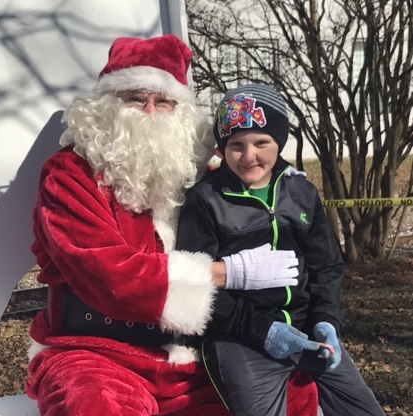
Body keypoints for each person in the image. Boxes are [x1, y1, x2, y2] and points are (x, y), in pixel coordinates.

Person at [25, 35, 316, 416]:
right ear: (106, 105)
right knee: (95, 407)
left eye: (163, 101)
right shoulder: (69, 174)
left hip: (194, 353)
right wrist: (225, 273)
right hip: (96, 352)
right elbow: (107, 274)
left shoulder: (200, 174)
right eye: (135, 98)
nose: (150, 111)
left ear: (181, 112)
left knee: (295, 392)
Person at [175, 83, 387, 416]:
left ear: (279, 141)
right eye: (236, 145)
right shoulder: (205, 200)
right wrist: (263, 331)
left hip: (306, 328)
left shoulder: (300, 191)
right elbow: (194, 284)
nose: (249, 156)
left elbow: (326, 265)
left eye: (261, 142)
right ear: (222, 148)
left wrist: (327, 319)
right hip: (240, 337)